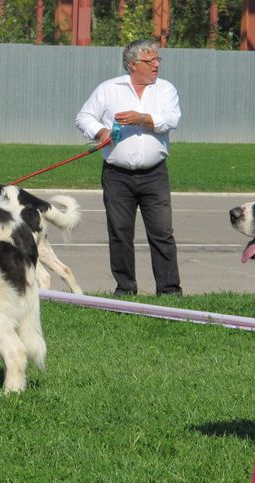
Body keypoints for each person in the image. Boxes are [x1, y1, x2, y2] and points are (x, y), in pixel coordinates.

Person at [75, 39, 182, 297]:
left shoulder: (165, 89)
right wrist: (99, 131)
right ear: (132, 64)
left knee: (162, 233)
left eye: (158, 60)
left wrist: (142, 119)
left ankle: (169, 291)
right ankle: (125, 289)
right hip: (117, 176)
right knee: (120, 234)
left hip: (154, 174)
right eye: (150, 60)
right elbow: (83, 117)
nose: (156, 65)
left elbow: (171, 119)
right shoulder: (109, 89)